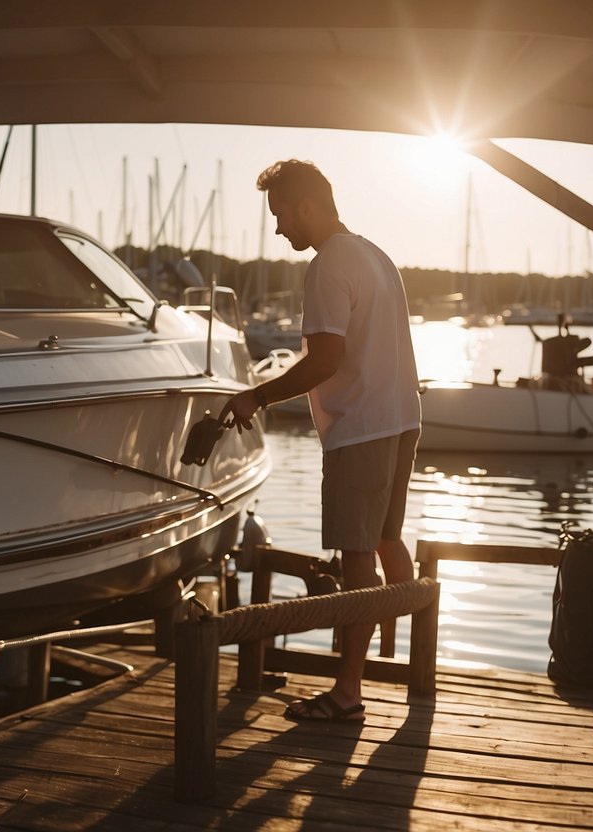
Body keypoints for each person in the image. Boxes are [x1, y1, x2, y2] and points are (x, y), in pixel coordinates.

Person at [222, 159, 421, 723]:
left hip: (361, 426)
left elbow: (324, 361)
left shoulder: (329, 265)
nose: (280, 228)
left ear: (305, 205)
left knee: (359, 559)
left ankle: (348, 692)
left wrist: (255, 396)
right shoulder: (374, 254)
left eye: (280, 214)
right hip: (403, 416)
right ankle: (403, 659)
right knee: (387, 539)